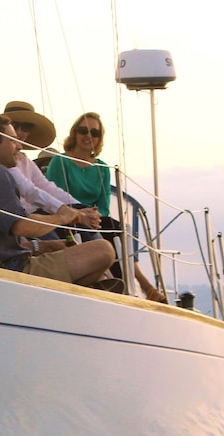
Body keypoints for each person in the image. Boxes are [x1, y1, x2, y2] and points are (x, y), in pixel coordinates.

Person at [0, 115, 115, 287]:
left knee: (81, 258)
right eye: (12, 140)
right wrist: (63, 217)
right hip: (8, 274)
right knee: (104, 250)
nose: (20, 146)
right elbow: (22, 226)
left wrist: (48, 245)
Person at [46, 112, 168, 302]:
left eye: (95, 133)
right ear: (75, 133)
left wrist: (94, 216)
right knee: (94, 228)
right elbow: (55, 197)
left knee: (116, 228)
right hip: (68, 217)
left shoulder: (102, 168)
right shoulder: (60, 162)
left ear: (99, 139)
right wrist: (82, 214)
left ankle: (129, 285)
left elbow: (103, 204)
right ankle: (126, 284)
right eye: (83, 130)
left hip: (94, 218)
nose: (88, 136)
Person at [0, 101, 101, 234]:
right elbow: (30, 191)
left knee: (102, 228)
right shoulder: (2, 161)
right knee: (81, 233)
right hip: (22, 222)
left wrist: (82, 209)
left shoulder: (25, 161)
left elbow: (48, 187)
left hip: (40, 215)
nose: (19, 132)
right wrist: (69, 212)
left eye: (26, 127)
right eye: (15, 125)